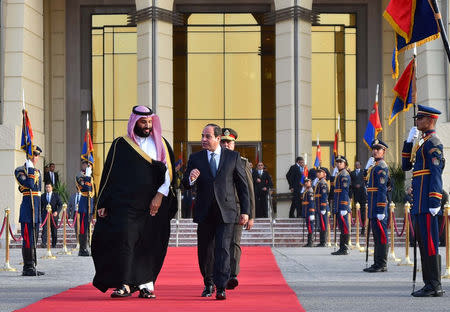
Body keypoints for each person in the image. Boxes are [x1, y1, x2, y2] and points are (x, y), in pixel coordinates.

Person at [92, 105, 177, 299]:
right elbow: (109, 174)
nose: (147, 126)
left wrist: (159, 197)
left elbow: (170, 175)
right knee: (126, 242)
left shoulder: (161, 143)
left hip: (154, 206)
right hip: (126, 206)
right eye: (143, 122)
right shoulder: (121, 144)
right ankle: (124, 284)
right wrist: (103, 202)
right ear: (134, 122)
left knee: (150, 244)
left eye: (149, 122)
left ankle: (146, 285)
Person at [182, 124, 249, 300]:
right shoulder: (195, 158)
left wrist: (246, 211)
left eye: (208, 136)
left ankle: (221, 287)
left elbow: (243, 187)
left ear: (218, 139)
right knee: (205, 251)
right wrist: (190, 178)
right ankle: (208, 283)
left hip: (226, 211)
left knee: (223, 249)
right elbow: (185, 184)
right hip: (204, 211)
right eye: (202, 136)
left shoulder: (232, 157)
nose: (203, 139)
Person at [402, 105, 444, 297]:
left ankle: (435, 285)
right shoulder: (421, 143)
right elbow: (405, 166)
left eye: (420, 118)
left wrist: (435, 200)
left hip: (428, 203)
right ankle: (429, 283)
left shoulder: (433, 143)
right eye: (417, 118)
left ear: (430, 120)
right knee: (422, 242)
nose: (417, 121)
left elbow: (435, 174)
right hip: (419, 203)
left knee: (430, 243)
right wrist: (408, 142)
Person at [219, 128, 256, 290]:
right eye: (224, 142)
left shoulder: (242, 162)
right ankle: (219, 274)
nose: (226, 145)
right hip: (219, 209)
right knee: (219, 244)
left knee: (234, 243)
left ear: (234, 144)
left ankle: (232, 275)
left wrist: (250, 214)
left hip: (237, 209)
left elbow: (248, 189)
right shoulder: (214, 159)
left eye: (229, 142)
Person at [14, 145, 44, 276]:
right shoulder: (20, 170)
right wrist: (30, 168)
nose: (36, 158)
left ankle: (33, 265)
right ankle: (27, 267)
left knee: (35, 239)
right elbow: (30, 185)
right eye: (34, 155)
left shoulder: (37, 171)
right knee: (28, 239)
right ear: (28, 156)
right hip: (27, 211)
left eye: (37, 155)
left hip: (36, 210)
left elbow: (38, 191)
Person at [363, 139, 389, 273]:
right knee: (377, 236)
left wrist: (380, 208)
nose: (375, 151)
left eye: (378, 149)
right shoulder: (375, 167)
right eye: (373, 149)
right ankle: (377, 263)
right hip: (373, 207)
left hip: (378, 207)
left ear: (383, 151)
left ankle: (382, 264)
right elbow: (365, 181)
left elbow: (382, 189)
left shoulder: (382, 167)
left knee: (381, 236)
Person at [331, 155, 351, 255]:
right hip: (338, 204)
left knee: (344, 226)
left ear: (345, 164)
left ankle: (344, 248)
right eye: (337, 162)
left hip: (343, 204)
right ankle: (342, 247)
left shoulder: (344, 175)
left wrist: (343, 206)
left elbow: (344, 191)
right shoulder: (339, 174)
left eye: (340, 162)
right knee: (341, 227)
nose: (338, 164)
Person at [75, 160, 95, 256]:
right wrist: (87, 176)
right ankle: (82, 249)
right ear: (83, 165)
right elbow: (86, 188)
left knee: (88, 227)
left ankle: (87, 247)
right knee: (83, 227)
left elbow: (93, 191)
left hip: (90, 203)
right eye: (87, 165)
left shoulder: (90, 176)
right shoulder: (80, 176)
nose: (89, 167)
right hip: (83, 203)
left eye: (90, 165)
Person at [40, 182, 62, 248]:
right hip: (45, 216)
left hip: (54, 216)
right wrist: (41, 214)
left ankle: (54, 244)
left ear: (51, 188)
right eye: (46, 187)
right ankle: (44, 243)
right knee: (45, 229)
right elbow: (41, 206)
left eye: (49, 187)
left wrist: (57, 212)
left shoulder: (56, 195)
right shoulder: (43, 196)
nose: (47, 188)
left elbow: (60, 204)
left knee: (54, 230)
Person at [350, 160, 367, 233]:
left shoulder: (363, 172)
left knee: (362, 211)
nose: (357, 165)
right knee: (356, 210)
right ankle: (354, 226)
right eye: (356, 164)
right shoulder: (352, 173)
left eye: (358, 164)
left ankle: (363, 228)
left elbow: (365, 181)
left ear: (360, 165)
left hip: (362, 194)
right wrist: (355, 185)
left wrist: (361, 185)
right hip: (355, 193)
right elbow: (351, 182)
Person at [314, 167, 329, 247]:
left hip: (322, 206)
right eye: (318, 172)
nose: (318, 174)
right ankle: (321, 241)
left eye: (320, 172)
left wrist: (323, 207)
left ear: (324, 174)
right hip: (318, 206)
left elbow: (324, 196)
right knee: (320, 223)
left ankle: (323, 241)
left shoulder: (323, 183)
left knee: (323, 224)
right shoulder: (319, 182)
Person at [302, 178, 315, 247]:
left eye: (308, 182)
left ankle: (310, 242)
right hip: (306, 210)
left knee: (310, 226)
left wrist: (312, 212)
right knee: (308, 225)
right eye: (305, 182)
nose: (306, 183)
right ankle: (309, 242)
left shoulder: (310, 191)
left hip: (309, 211)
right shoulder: (306, 190)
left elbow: (312, 202)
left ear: (310, 183)